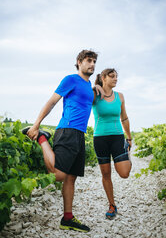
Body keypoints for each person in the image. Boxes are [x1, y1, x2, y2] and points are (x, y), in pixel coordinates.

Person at [22, 49, 99, 233]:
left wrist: (98, 88)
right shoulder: (71, 79)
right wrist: (36, 124)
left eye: (94, 61)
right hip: (67, 130)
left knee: (71, 178)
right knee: (59, 175)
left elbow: (98, 96)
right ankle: (42, 137)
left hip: (79, 135)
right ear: (79, 62)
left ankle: (68, 218)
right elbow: (51, 102)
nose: (92, 64)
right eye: (89, 60)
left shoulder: (89, 87)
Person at [92, 68, 132, 220]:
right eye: (112, 76)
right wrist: (94, 88)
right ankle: (112, 204)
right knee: (106, 174)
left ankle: (126, 155)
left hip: (117, 137)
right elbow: (83, 96)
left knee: (124, 173)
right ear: (103, 78)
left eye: (116, 77)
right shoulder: (95, 95)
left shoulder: (120, 96)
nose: (116, 79)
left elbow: (125, 118)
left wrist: (129, 138)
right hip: (100, 139)